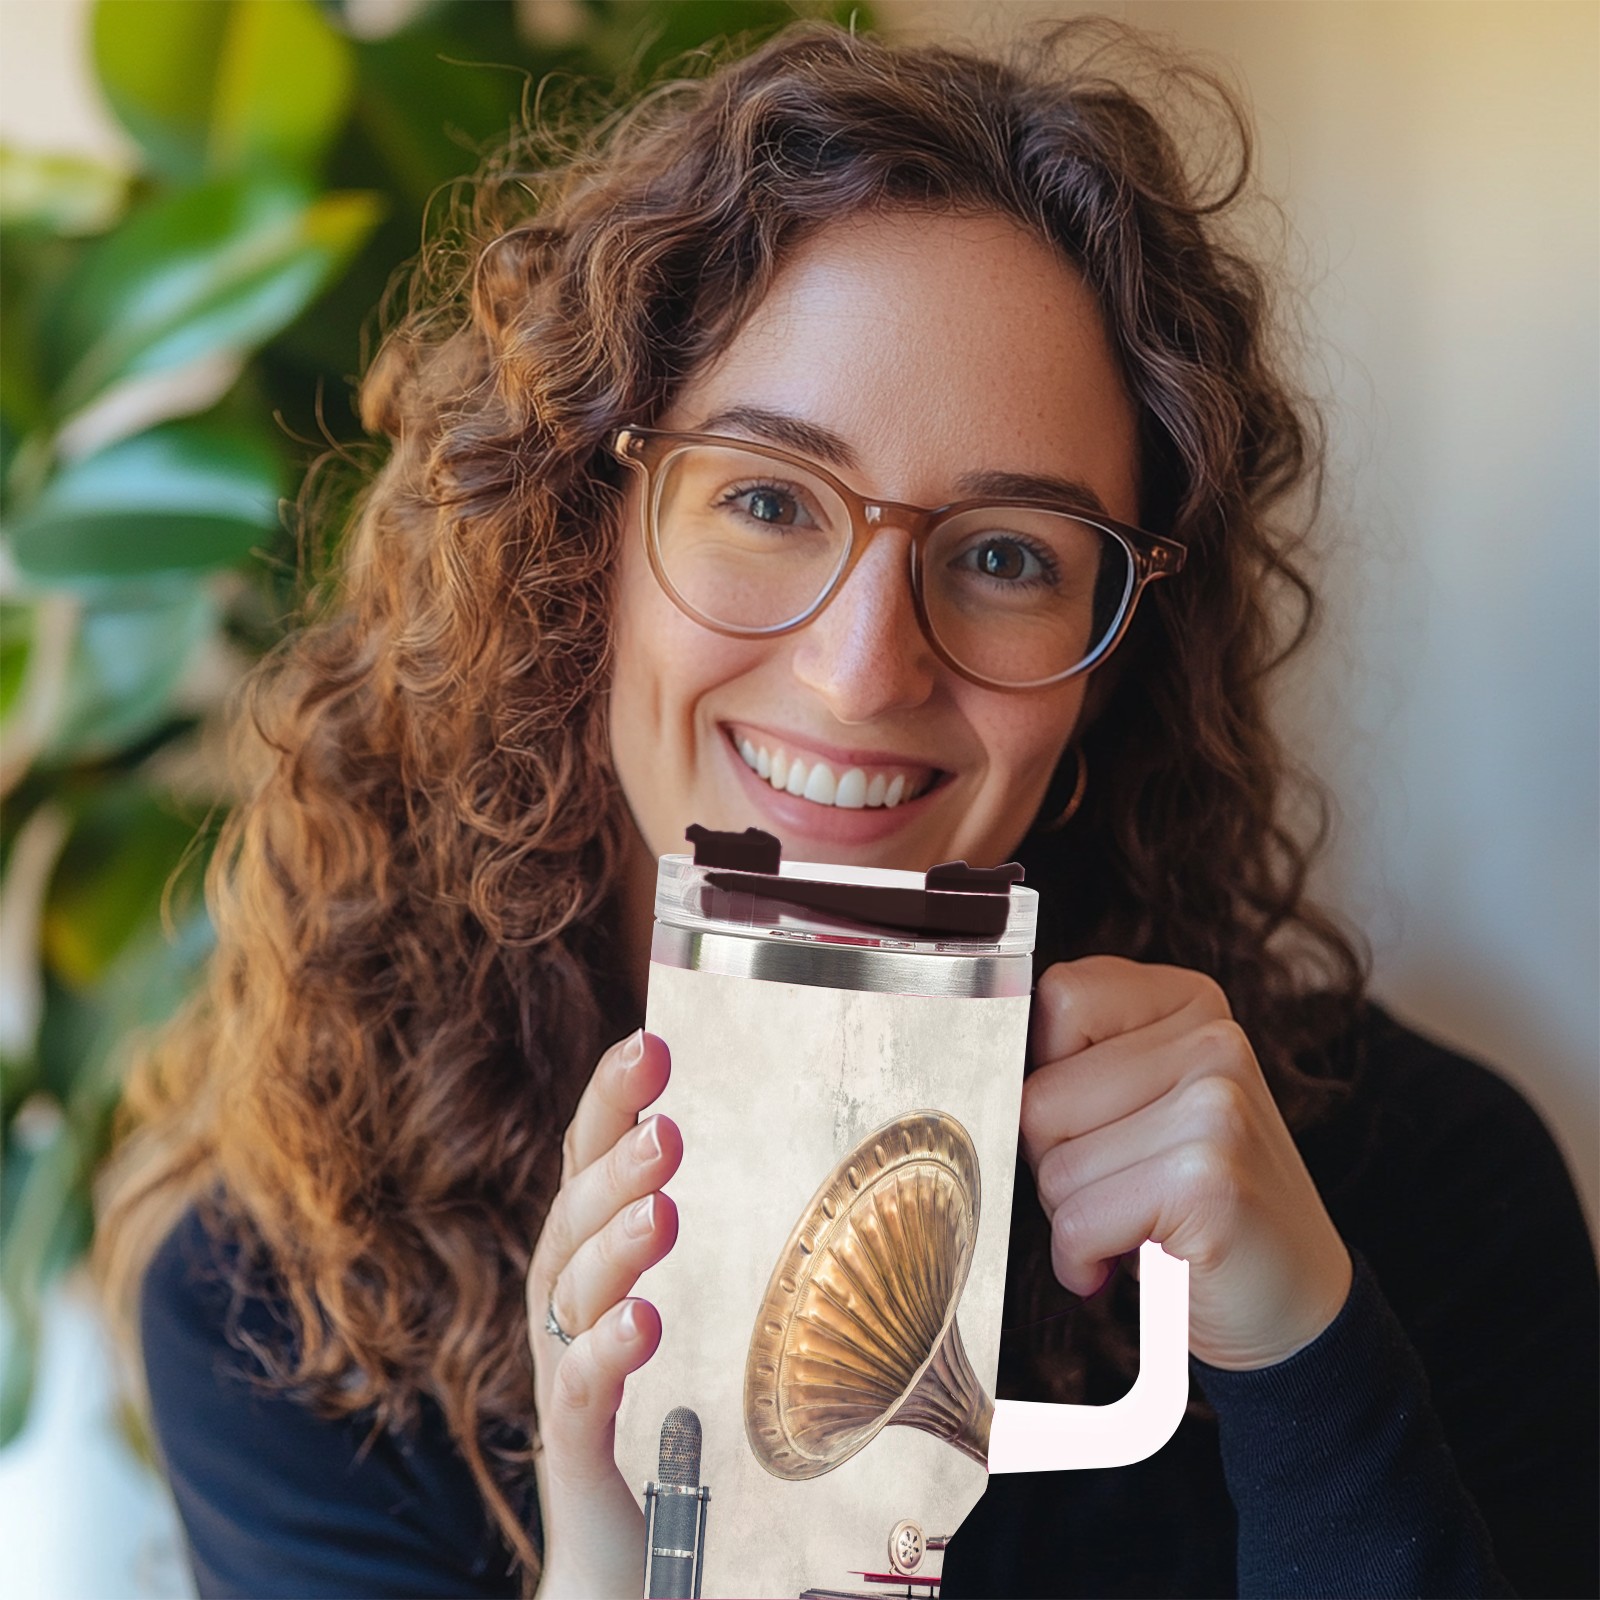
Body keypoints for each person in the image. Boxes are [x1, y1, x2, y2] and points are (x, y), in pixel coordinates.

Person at [97, 18, 1597, 1600]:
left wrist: (1305, 1367)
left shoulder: (1421, 1194)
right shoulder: (292, 1304)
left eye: (1007, 554)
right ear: (580, 550)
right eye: (765, 499)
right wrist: (620, 1566)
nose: (864, 671)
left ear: (1113, 662)